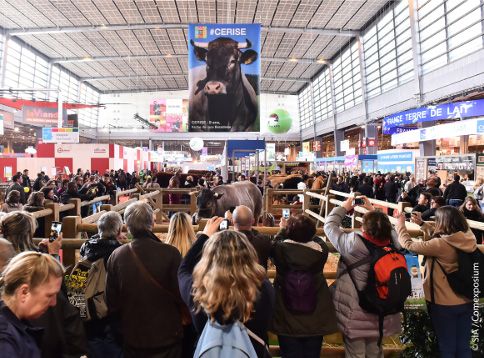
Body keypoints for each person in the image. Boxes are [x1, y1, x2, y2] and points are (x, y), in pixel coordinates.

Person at [178, 217, 274, 358]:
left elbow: (183, 269)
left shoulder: (198, 290)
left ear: (209, 258)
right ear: (249, 254)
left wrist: (204, 236)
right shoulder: (264, 288)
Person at [324, 196, 402, 357]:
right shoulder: (393, 245)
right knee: (375, 352)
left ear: (364, 228)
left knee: (355, 354)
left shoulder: (353, 244)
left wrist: (344, 207)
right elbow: (392, 232)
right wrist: (373, 210)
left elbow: (330, 225)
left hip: (356, 314)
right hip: (382, 312)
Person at [106, 202, 185, 357]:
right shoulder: (171, 254)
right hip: (167, 338)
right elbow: (182, 295)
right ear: (153, 223)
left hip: (133, 339)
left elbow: (112, 302)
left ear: (127, 226)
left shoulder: (117, 256)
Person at [396, 206, 477, 358]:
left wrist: (400, 225)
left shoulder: (440, 245)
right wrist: (422, 224)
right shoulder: (469, 238)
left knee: (447, 347)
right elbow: (444, 237)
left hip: (444, 304)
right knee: (463, 347)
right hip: (466, 300)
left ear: (443, 223)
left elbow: (408, 244)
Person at [271, 214, 338, 358]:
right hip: (315, 317)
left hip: (286, 317)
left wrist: (283, 229)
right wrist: (305, 231)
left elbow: (275, 242)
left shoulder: (280, 251)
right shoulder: (321, 252)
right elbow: (318, 240)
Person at [0, 252, 65, 357]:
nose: (54, 303)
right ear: (24, 292)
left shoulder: (18, 327)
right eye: (49, 296)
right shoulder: (5, 340)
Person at [79, 211, 125, 358]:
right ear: (118, 230)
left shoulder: (86, 250)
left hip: (87, 317)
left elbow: (74, 288)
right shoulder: (119, 254)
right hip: (109, 319)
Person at [232, 205, 272, 270]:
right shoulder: (264, 241)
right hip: (258, 279)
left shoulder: (225, 242)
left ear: (232, 221)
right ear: (253, 221)